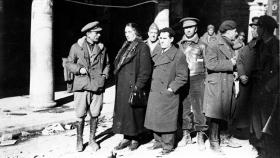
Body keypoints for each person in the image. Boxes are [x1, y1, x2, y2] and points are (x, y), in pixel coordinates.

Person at [65, 21, 110, 152]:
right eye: (96, 33)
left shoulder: (102, 48)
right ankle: (79, 141)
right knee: (80, 114)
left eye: (99, 32)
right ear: (88, 34)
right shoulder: (76, 47)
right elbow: (68, 63)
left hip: (97, 86)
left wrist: (104, 76)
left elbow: (107, 64)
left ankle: (92, 139)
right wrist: (79, 69)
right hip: (81, 86)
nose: (99, 35)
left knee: (95, 114)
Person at [144, 27, 188, 155]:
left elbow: (182, 77)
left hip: (167, 93)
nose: (161, 41)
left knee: (167, 121)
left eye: (164, 38)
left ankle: (168, 146)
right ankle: (158, 142)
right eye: (160, 38)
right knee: (155, 118)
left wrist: (171, 88)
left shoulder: (178, 55)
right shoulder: (158, 52)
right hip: (155, 91)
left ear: (172, 39)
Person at [113, 22, 152, 151]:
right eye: (125, 32)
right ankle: (126, 137)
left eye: (129, 32)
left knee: (134, 114)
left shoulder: (142, 47)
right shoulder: (126, 46)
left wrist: (138, 86)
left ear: (136, 32)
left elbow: (145, 71)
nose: (127, 35)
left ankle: (135, 138)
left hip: (134, 86)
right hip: (123, 87)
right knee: (125, 114)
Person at [203, 20, 238, 155]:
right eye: (234, 30)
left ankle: (223, 138)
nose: (236, 33)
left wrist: (233, 70)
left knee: (225, 111)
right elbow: (210, 64)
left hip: (225, 82)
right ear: (228, 31)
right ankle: (214, 143)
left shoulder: (228, 44)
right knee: (216, 114)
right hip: (217, 84)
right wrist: (230, 63)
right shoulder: (214, 43)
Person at [249, 15, 279, 158]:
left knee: (268, 121)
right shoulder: (260, 44)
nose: (257, 29)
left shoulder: (275, 46)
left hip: (269, 90)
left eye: (259, 27)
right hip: (258, 87)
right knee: (257, 120)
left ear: (265, 29)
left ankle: (268, 152)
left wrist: (269, 87)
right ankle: (261, 149)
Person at [177, 17, 207, 150]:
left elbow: (207, 64)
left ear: (196, 28)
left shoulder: (202, 44)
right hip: (183, 79)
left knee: (199, 108)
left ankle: (200, 134)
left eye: (191, 27)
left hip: (198, 79)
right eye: (185, 28)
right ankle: (186, 134)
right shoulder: (179, 45)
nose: (188, 30)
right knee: (185, 107)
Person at [234, 17, 259, 134]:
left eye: (256, 28)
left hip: (258, 83)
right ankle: (242, 127)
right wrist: (242, 74)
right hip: (245, 82)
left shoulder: (264, 47)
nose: (254, 31)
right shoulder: (247, 47)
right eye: (253, 28)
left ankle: (255, 131)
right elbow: (239, 61)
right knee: (243, 103)